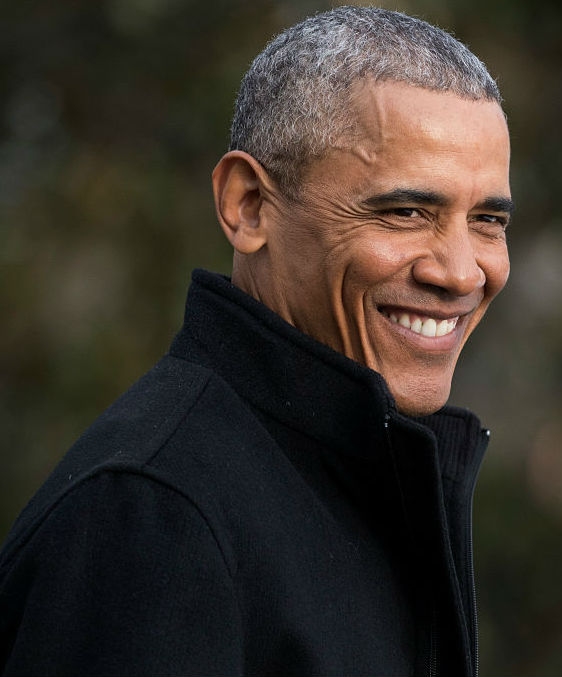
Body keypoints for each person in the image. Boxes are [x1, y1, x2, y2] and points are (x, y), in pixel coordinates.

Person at [0, 7, 511, 675]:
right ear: (247, 205)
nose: (460, 270)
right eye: (406, 211)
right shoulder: (151, 516)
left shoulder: (365, 478)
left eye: (487, 220)